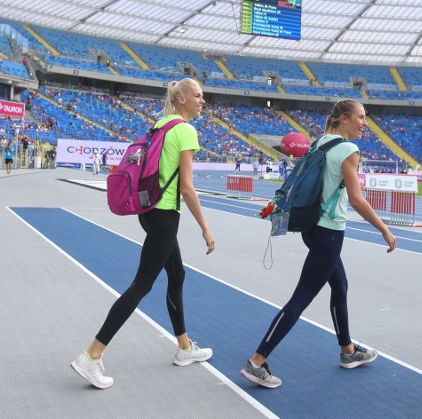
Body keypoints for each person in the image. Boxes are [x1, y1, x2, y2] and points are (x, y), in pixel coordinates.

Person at [240, 99, 397, 389]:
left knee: (340, 285)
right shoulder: (349, 149)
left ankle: (348, 351)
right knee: (301, 297)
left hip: (311, 228)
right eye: (361, 117)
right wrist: (384, 229)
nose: (365, 123)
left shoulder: (321, 142)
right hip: (329, 232)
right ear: (345, 119)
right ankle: (257, 361)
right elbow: (356, 199)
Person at [71, 78, 216, 389]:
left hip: (149, 212)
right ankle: (92, 355)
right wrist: (205, 228)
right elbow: (187, 187)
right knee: (142, 284)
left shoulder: (159, 124)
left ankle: (185, 348)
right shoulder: (186, 130)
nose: (202, 101)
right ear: (181, 99)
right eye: (198, 96)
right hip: (166, 215)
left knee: (176, 275)